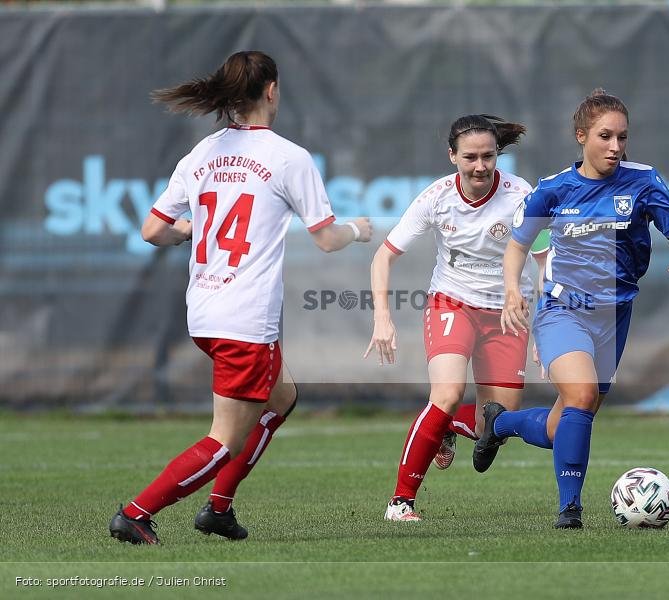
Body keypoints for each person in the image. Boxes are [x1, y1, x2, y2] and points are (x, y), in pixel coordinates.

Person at [108, 51, 372, 545]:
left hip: (205, 312)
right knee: (223, 440)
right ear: (271, 90)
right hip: (244, 319)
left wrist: (192, 230)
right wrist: (359, 229)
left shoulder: (202, 152)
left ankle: (219, 511)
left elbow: (151, 230)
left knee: (283, 397)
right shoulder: (288, 156)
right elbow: (326, 238)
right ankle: (137, 512)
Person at [475, 89, 669, 529]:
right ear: (582, 136)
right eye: (605, 137)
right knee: (579, 396)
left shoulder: (644, 180)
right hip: (564, 309)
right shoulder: (554, 189)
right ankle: (569, 509)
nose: (615, 147)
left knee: (567, 423)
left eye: (622, 137)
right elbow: (517, 246)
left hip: (613, 318)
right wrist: (512, 292)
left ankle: (500, 425)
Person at [365, 114, 542, 522]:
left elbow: (546, 259)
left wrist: (544, 326)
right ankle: (401, 502)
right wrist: (382, 318)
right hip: (452, 303)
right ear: (452, 156)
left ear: (499, 155)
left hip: (509, 313)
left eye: (488, 156)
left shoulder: (523, 195)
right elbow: (384, 256)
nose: (480, 166)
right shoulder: (435, 197)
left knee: (494, 425)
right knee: (445, 394)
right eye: (470, 157)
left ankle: (447, 426)